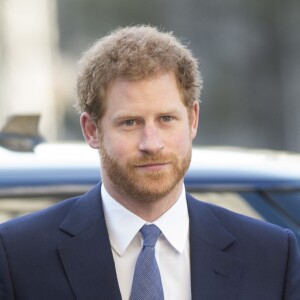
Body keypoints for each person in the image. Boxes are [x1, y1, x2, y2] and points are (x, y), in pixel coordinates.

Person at [0, 25, 299, 300]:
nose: (152, 143)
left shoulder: (272, 255)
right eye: (130, 123)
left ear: (193, 119)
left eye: (166, 119)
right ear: (92, 130)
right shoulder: (18, 254)